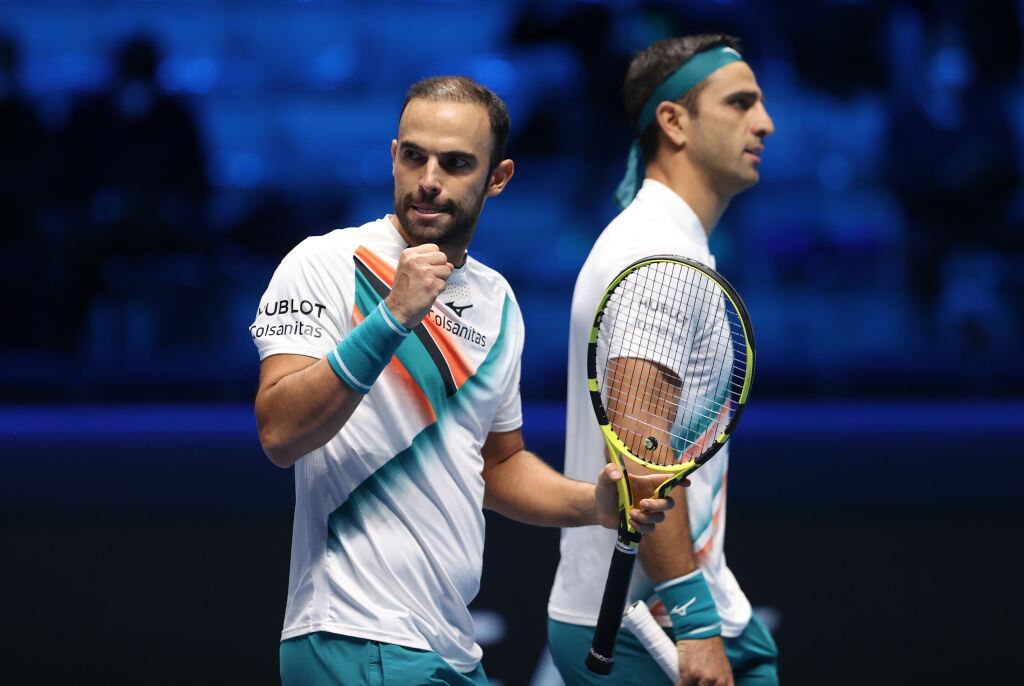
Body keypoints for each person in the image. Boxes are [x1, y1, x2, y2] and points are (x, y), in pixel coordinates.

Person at [250, 75, 676, 686]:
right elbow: (279, 432)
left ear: (497, 178)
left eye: (455, 163)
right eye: (414, 156)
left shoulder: (498, 302)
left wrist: (594, 504)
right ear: (393, 157)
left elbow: (497, 467)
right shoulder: (325, 263)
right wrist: (393, 316)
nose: (429, 179)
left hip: (448, 645)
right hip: (353, 634)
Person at [547, 35, 779, 686]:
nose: (765, 122)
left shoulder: (665, 245)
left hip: (656, 611)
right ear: (673, 121)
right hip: (644, 628)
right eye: (740, 103)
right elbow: (641, 451)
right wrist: (695, 622)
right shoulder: (653, 258)